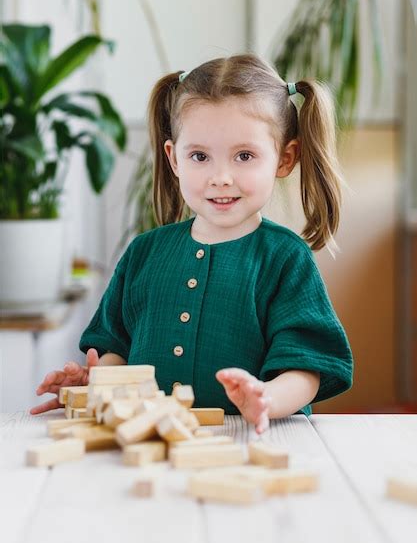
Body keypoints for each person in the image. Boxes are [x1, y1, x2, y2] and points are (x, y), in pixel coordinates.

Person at [30, 53, 354, 434]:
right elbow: (114, 349)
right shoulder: (144, 253)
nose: (220, 177)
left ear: (284, 159)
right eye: (199, 156)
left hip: (249, 443)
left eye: (244, 156)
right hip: (150, 444)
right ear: (174, 159)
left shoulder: (285, 259)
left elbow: (306, 366)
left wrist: (266, 398)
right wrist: (95, 386)